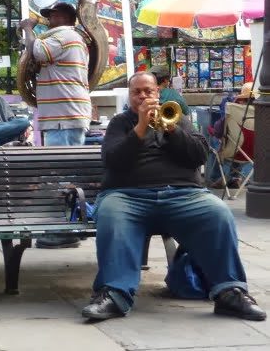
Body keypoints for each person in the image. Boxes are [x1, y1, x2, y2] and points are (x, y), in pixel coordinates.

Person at [81, 71, 266, 323]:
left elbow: (199, 155)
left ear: (158, 93)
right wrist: (141, 128)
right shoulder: (120, 123)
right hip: (127, 196)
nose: (143, 96)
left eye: (149, 91)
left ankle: (229, 292)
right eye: (137, 92)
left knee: (217, 212)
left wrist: (170, 130)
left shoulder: (179, 119)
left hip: (183, 194)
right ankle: (114, 294)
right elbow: (113, 160)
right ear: (130, 97)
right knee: (111, 214)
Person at [19, 1, 91, 249]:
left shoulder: (64, 35)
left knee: (61, 174)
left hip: (64, 116)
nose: (47, 20)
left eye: (51, 15)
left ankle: (64, 231)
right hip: (65, 114)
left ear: (62, 16)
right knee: (67, 172)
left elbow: (37, 52)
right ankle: (73, 224)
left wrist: (28, 29)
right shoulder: (70, 37)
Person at [207, 83, 256, 188]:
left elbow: (218, 130)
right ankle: (235, 177)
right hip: (255, 153)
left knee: (218, 139)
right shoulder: (263, 112)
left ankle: (216, 177)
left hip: (233, 151)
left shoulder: (233, 110)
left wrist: (210, 130)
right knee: (236, 140)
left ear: (242, 100)